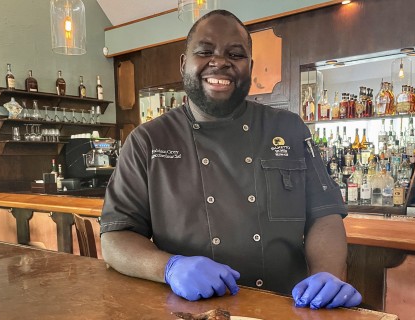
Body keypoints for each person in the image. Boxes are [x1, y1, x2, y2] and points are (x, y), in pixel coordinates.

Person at [100, 9, 362, 310]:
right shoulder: (148, 141)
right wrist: (169, 267)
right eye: (205, 51)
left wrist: (327, 276)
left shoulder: (288, 128)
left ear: (250, 66)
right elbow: (116, 238)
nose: (220, 61)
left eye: (235, 54)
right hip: (191, 312)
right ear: (184, 63)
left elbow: (324, 217)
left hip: (287, 308)